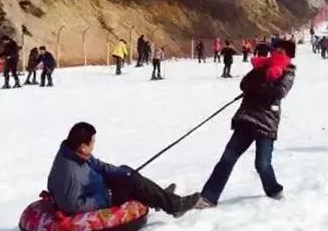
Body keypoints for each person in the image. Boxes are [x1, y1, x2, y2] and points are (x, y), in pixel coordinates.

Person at [197, 41, 296, 207]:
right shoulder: (262, 66)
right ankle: (208, 197)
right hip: (247, 118)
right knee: (227, 158)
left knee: (262, 164)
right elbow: (244, 84)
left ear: (288, 54)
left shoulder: (288, 71)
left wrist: (259, 86)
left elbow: (280, 91)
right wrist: (260, 82)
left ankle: (274, 190)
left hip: (266, 122)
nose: (276, 53)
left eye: (281, 51)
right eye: (275, 50)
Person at [47, 122, 199, 217]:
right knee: (133, 182)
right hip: (102, 196)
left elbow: (98, 165)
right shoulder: (70, 174)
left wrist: (118, 172)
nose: (94, 145)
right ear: (83, 146)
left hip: (99, 185)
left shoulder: (74, 151)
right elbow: (73, 205)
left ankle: (161, 197)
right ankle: (174, 205)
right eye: (92, 142)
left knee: (127, 172)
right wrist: (105, 196)